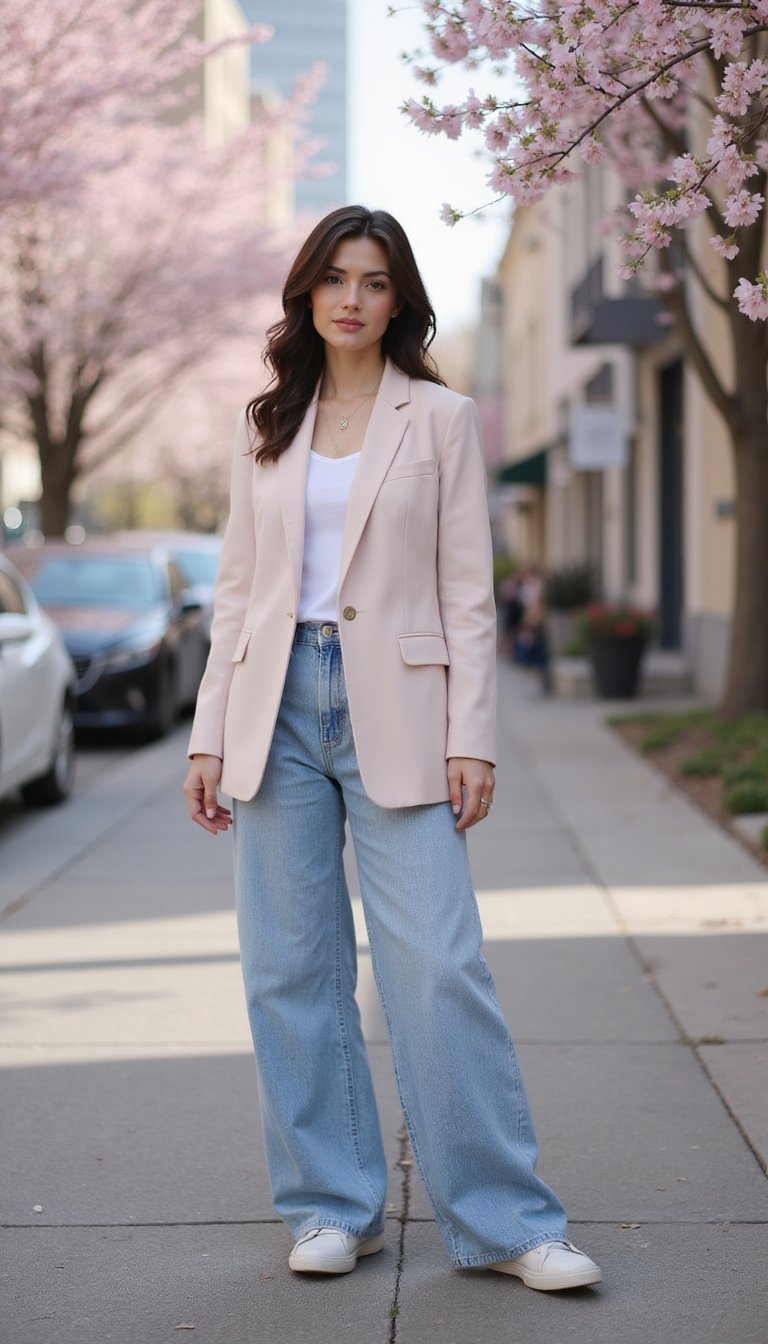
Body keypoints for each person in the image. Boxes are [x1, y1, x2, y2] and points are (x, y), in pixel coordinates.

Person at [182, 205, 601, 1291]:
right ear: (306, 295)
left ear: (399, 297)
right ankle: (330, 1203)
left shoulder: (442, 418)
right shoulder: (263, 422)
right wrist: (209, 734)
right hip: (275, 706)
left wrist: (476, 736)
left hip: (400, 712)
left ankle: (507, 1223)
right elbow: (238, 592)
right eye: (334, 278)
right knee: (291, 967)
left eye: (373, 281)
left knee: (438, 965)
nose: (353, 299)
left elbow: (469, 589)